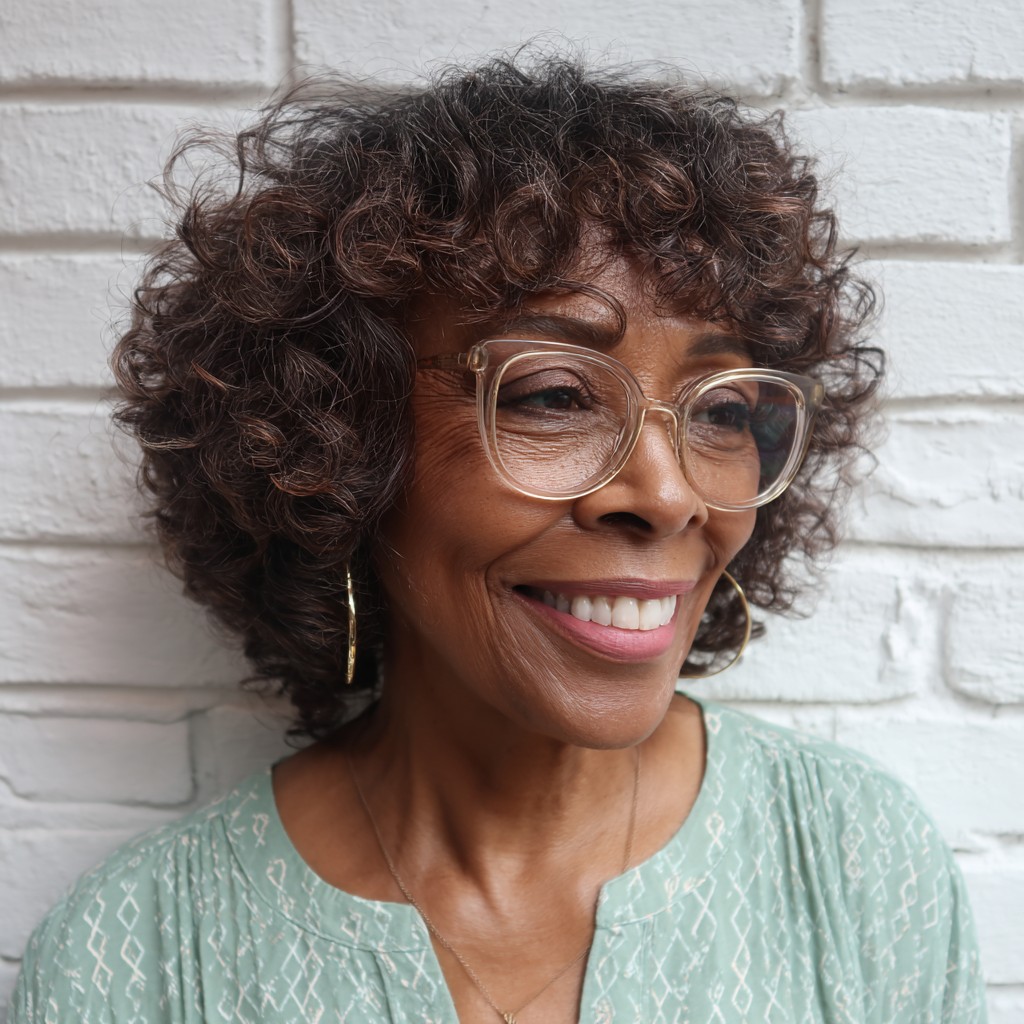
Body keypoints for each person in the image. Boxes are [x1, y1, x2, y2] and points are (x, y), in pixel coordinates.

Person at [11, 53, 986, 1023]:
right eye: (554, 396)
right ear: (342, 447)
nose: (667, 493)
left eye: (723, 410)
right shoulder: (135, 960)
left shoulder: (855, 866)